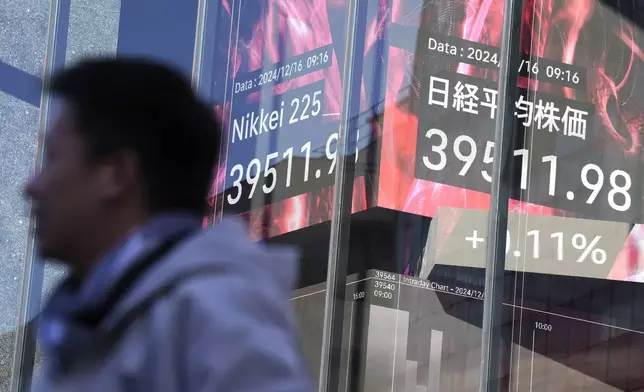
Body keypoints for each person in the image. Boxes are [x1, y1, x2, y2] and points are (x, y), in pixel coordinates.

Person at [26, 57, 314, 392]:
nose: (32, 186)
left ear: (117, 174)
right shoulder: (83, 335)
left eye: (52, 158)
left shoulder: (214, 314)